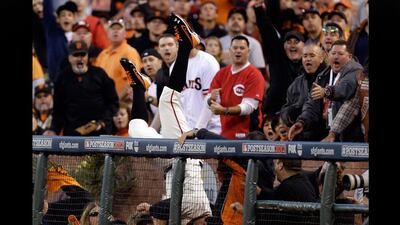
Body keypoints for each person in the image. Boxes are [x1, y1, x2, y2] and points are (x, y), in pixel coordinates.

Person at [120, 12, 211, 224]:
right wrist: (152, 208)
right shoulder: (199, 206)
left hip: (168, 162)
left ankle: (138, 87)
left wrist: (153, 209)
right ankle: (187, 45)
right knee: (168, 100)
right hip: (184, 155)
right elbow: (172, 207)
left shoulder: (179, 214)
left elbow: (166, 209)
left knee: (134, 130)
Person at [288, 40, 364, 142]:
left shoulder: (355, 70)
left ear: (349, 57)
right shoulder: (322, 76)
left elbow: (344, 89)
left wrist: (326, 92)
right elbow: (312, 104)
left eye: (340, 54)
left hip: (350, 137)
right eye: (333, 53)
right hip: (327, 133)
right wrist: (302, 122)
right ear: (328, 56)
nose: (336, 57)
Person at [44, 40, 119, 136]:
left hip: (99, 132)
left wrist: (103, 121)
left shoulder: (100, 74)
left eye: (83, 55)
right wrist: (53, 130)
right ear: (69, 58)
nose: (80, 59)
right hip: (73, 134)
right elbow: (59, 110)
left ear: (87, 57)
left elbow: (113, 102)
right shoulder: (62, 78)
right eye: (76, 55)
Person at [207, 35, 265, 140]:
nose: (238, 51)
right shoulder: (221, 73)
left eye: (242, 48)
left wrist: (224, 110)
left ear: (248, 51)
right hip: (224, 131)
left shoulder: (255, 74)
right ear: (230, 50)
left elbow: (248, 107)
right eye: (235, 48)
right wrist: (211, 99)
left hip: (247, 134)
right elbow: (209, 100)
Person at [253, 1, 304, 116]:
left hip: (301, 117)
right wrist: (259, 8)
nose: (292, 45)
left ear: (304, 46)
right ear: (283, 46)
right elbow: (267, 32)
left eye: (296, 42)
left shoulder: (310, 64)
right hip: (274, 115)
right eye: (288, 42)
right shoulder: (277, 60)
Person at [280, 43, 328, 141]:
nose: (308, 59)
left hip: (323, 136)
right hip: (300, 135)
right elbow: (285, 108)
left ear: (321, 59)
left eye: (312, 55)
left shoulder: (329, 78)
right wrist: (289, 114)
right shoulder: (296, 83)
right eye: (305, 56)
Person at [94, 19, 143, 98]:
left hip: (123, 105)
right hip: (104, 104)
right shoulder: (102, 55)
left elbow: (133, 81)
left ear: (124, 34)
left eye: (119, 29)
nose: (115, 31)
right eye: (113, 29)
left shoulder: (130, 52)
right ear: (107, 33)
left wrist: (116, 102)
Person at [219, 7, 266, 72]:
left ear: (245, 24)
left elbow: (258, 70)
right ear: (227, 23)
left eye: (240, 19)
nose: (236, 21)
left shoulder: (254, 43)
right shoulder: (219, 42)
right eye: (233, 19)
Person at [43, 0, 79, 82]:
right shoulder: (52, 33)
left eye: (69, 15)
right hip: (56, 81)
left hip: (73, 82)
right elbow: (47, 12)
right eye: (63, 15)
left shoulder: (80, 38)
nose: (66, 17)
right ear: (57, 20)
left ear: (74, 19)